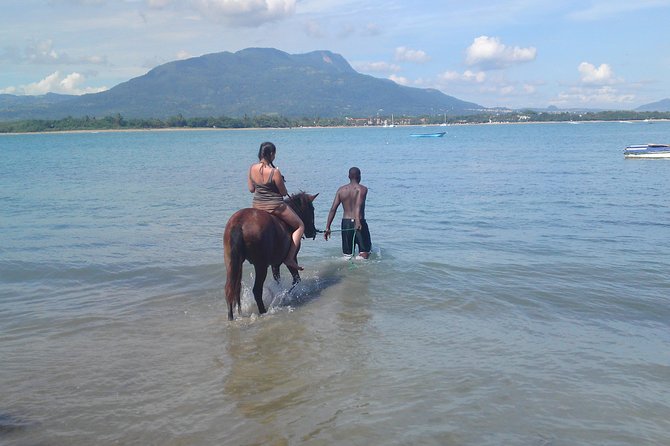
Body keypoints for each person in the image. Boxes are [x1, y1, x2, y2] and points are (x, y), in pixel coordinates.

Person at [248, 141, 304, 270]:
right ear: (271, 154)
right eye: (274, 154)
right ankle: (290, 258)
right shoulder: (274, 172)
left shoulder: (252, 168)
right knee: (300, 225)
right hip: (274, 206)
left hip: (256, 205)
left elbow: (251, 189)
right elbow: (283, 193)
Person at [324, 167, 371, 259]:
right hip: (359, 222)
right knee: (365, 253)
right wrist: (357, 221)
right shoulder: (362, 189)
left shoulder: (341, 190)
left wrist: (327, 227)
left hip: (346, 224)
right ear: (359, 176)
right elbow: (358, 205)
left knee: (347, 256)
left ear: (349, 176)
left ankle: (349, 272)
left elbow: (333, 209)